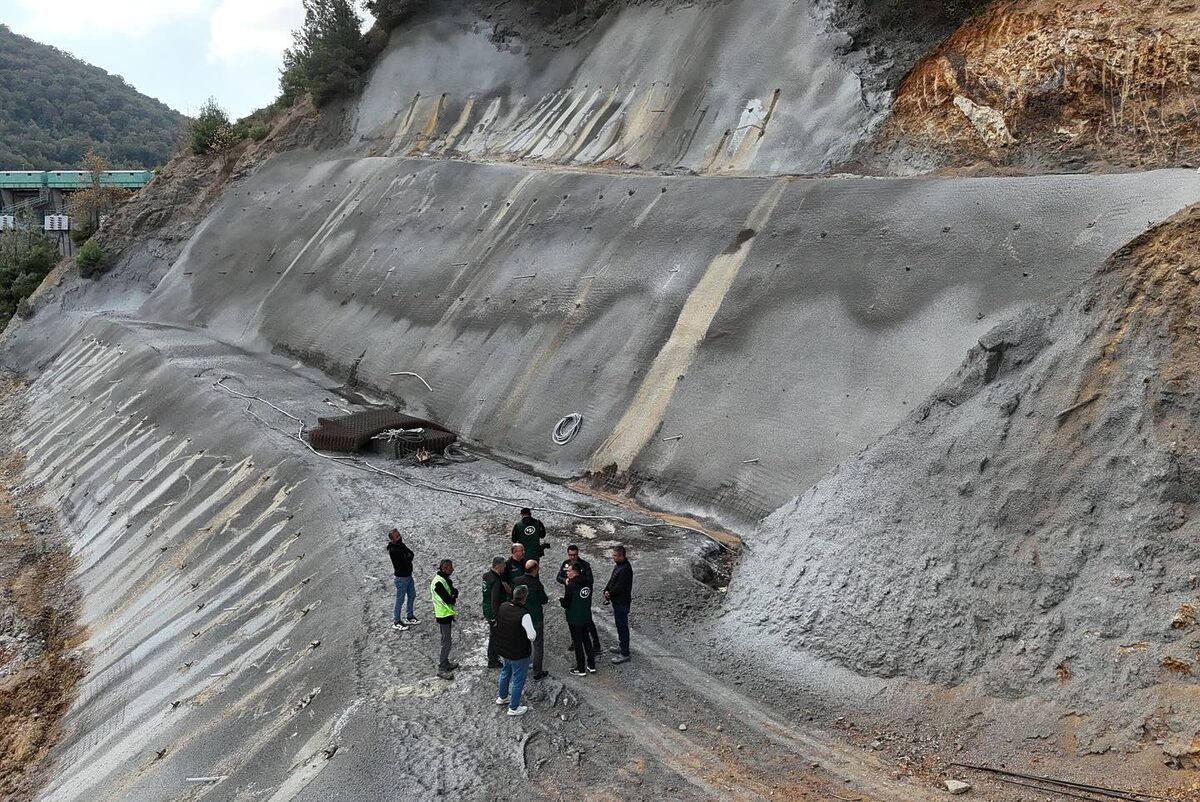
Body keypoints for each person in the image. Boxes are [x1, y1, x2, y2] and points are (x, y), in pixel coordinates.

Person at [494, 584, 537, 717]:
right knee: (518, 679)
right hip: (519, 652)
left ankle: (502, 697)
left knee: (505, 672)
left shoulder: (503, 606)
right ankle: (513, 707)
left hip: (504, 648)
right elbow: (532, 636)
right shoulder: (524, 614)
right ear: (525, 597)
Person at [556, 544, 600, 654]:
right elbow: (558, 577)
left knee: (588, 621)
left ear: (578, 554)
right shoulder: (566, 564)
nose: (572, 557)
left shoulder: (584, 565)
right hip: (571, 594)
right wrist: (565, 580)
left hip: (582, 596)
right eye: (570, 555)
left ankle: (596, 644)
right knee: (574, 622)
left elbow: (590, 580)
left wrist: (576, 579)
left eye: (574, 555)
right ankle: (576, 641)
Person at [514, 560, 549, 680]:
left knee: (522, 641)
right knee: (538, 643)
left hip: (520, 616)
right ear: (535, 569)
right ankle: (537, 671)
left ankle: (522, 665)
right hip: (535, 617)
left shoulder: (517, 581)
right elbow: (544, 600)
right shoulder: (536, 584)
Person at [560, 561, 596, 676]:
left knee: (577, 643)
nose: (567, 573)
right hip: (585, 615)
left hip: (574, 618)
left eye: (569, 571)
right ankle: (591, 664)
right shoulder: (588, 582)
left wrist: (561, 600)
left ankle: (580, 668)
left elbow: (566, 603)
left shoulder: (571, 585)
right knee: (587, 640)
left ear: (574, 572)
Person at [603, 545, 633, 664]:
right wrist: (606, 589)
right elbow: (613, 579)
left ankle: (625, 653)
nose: (613, 557)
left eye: (615, 555)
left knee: (622, 626)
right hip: (618, 602)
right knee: (620, 626)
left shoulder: (625, 569)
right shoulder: (619, 566)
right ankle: (622, 646)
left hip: (622, 602)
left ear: (621, 556)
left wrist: (609, 593)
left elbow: (620, 587)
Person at [430, 558, 459, 680]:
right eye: (450, 567)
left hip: (445, 613)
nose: (452, 569)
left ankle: (445, 663)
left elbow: (454, 592)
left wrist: (453, 594)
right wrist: (453, 595)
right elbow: (450, 598)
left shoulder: (443, 579)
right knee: (446, 642)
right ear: (445, 568)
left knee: (447, 640)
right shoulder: (439, 582)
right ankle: (442, 667)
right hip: (443, 614)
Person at [387, 528, 418, 630]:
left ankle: (409, 616)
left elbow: (410, 554)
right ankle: (396, 621)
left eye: (399, 535)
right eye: (397, 536)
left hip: (408, 577)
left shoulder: (400, 545)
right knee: (399, 600)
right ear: (392, 539)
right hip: (401, 579)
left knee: (412, 595)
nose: (399, 537)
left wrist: (408, 556)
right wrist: (408, 556)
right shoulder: (394, 550)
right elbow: (407, 557)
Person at [482, 556, 507, 669]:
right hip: (492, 611)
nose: (505, 567)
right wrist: (496, 617)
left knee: (494, 634)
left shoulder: (486, 576)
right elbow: (494, 600)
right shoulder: (496, 580)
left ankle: (494, 655)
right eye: (503, 565)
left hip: (486, 608)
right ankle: (492, 659)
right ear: (498, 566)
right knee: (494, 635)